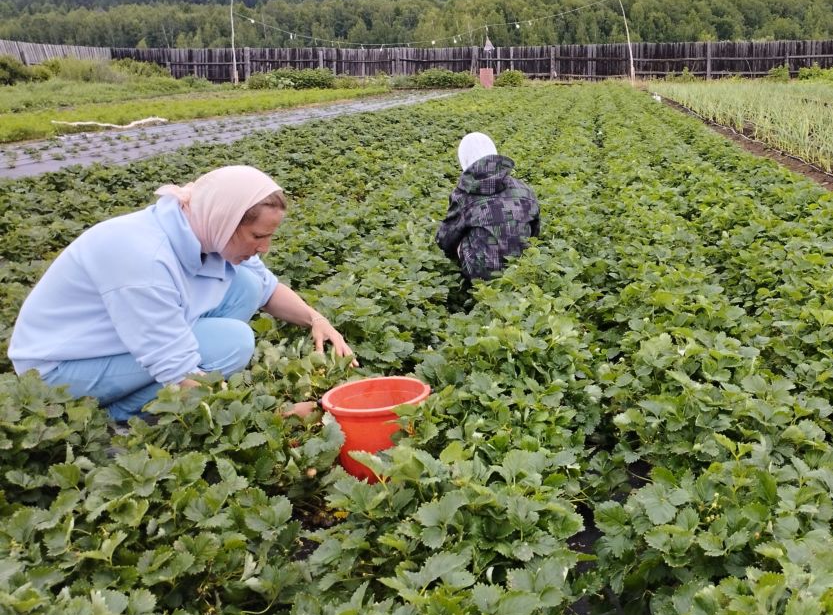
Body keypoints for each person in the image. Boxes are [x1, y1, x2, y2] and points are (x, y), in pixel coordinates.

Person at [7, 165, 353, 422]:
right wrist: (271, 416)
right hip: (61, 369)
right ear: (225, 219)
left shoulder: (203, 226)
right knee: (233, 342)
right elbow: (175, 366)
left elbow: (265, 287)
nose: (265, 248)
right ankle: (112, 420)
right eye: (258, 236)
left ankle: (185, 385)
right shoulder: (142, 257)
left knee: (245, 284)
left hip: (118, 341)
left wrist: (316, 319)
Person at [436, 132, 540, 283]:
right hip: (522, 267)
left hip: (483, 276)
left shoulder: (464, 195)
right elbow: (535, 230)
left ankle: (472, 284)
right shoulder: (523, 188)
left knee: (459, 235)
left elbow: (445, 240)